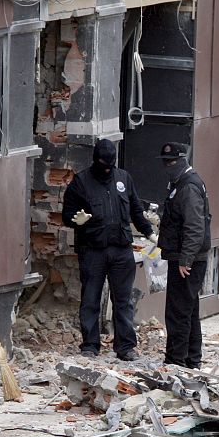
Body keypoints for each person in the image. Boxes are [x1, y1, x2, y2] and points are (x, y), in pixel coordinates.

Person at [62, 138, 156, 360]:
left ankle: (125, 347)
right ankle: (90, 345)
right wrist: (77, 221)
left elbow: (135, 210)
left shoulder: (123, 178)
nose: (106, 169)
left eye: (110, 165)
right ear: (95, 160)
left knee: (123, 300)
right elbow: (67, 215)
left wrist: (151, 234)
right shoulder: (81, 182)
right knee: (91, 299)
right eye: (103, 164)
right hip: (92, 250)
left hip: (121, 249)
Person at [156, 142, 211, 369]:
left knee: (178, 310)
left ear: (181, 161)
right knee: (188, 308)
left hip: (187, 260)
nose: (168, 166)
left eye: (171, 162)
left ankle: (176, 360)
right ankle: (191, 358)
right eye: (165, 162)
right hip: (183, 256)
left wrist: (186, 258)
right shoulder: (181, 183)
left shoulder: (188, 187)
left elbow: (195, 227)